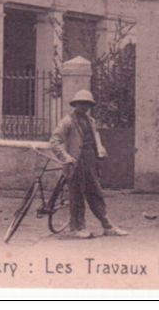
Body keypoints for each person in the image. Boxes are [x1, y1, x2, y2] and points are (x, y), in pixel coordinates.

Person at [48, 89, 128, 239]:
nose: (84, 107)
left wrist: (100, 148)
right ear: (75, 104)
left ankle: (107, 226)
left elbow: (95, 136)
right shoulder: (68, 121)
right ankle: (77, 228)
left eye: (87, 104)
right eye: (81, 104)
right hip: (75, 163)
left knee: (96, 194)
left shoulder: (90, 121)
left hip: (90, 161)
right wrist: (66, 157)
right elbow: (54, 141)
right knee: (77, 196)